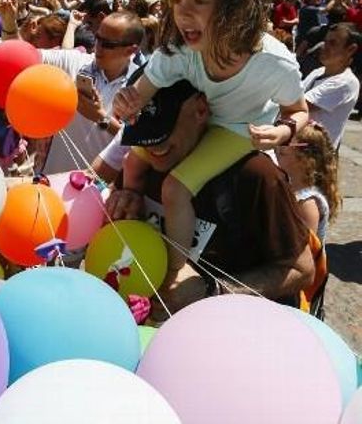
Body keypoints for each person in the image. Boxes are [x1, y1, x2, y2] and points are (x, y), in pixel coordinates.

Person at [113, 0, 308, 289]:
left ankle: (173, 274)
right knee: (132, 162)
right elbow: (138, 95)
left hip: (238, 130)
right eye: (175, 0)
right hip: (195, 121)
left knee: (175, 189)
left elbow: (299, 111)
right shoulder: (178, 52)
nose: (182, 12)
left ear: (237, 6)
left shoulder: (275, 65)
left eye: (199, 0)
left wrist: (282, 132)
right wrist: (126, 102)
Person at [107, 80, 315, 316]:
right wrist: (124, 201)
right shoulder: (144, 163)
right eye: (143, 131)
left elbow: (302, 270)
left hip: (225, 330)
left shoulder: (255, 175)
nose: (152, 145)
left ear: (201, 110)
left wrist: (211, 293)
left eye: (161, 129)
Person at [39, 11, 144, 181]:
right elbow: (25, 56)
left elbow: (141, 143)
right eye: (98, 38)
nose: (98, 47)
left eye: (107, 44)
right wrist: (9, 26)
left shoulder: (142, 87)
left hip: (97, 189)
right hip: (53, 180)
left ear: (131, 50)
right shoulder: (76, 62)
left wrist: (101, 118)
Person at [275, 122, 341, 246]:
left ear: (305, 159)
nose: (277, 149)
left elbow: (304, 248)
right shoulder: (288, 186)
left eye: (284, 146)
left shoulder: (307, 202)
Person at [303, 23, 360, 147]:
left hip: (314, 154)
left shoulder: (346, 82)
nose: (324, 47)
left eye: (333, 43)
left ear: (351, 50)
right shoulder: (317, 72)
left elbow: (300, 105)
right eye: (325, 41)